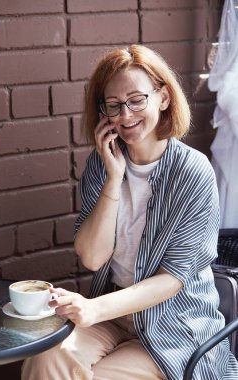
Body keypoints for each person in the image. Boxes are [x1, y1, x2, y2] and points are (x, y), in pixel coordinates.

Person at [21, 44, 238, 380]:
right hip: (113, 313)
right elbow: (92, 258)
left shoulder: (193, 172)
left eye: (137, 100)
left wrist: (92, 309)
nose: (125, 115)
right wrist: (113, 178)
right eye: (114, 105)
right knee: (45, 359)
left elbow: (172, 280)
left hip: (175, 321)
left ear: (163, 98)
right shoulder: (102, 162)